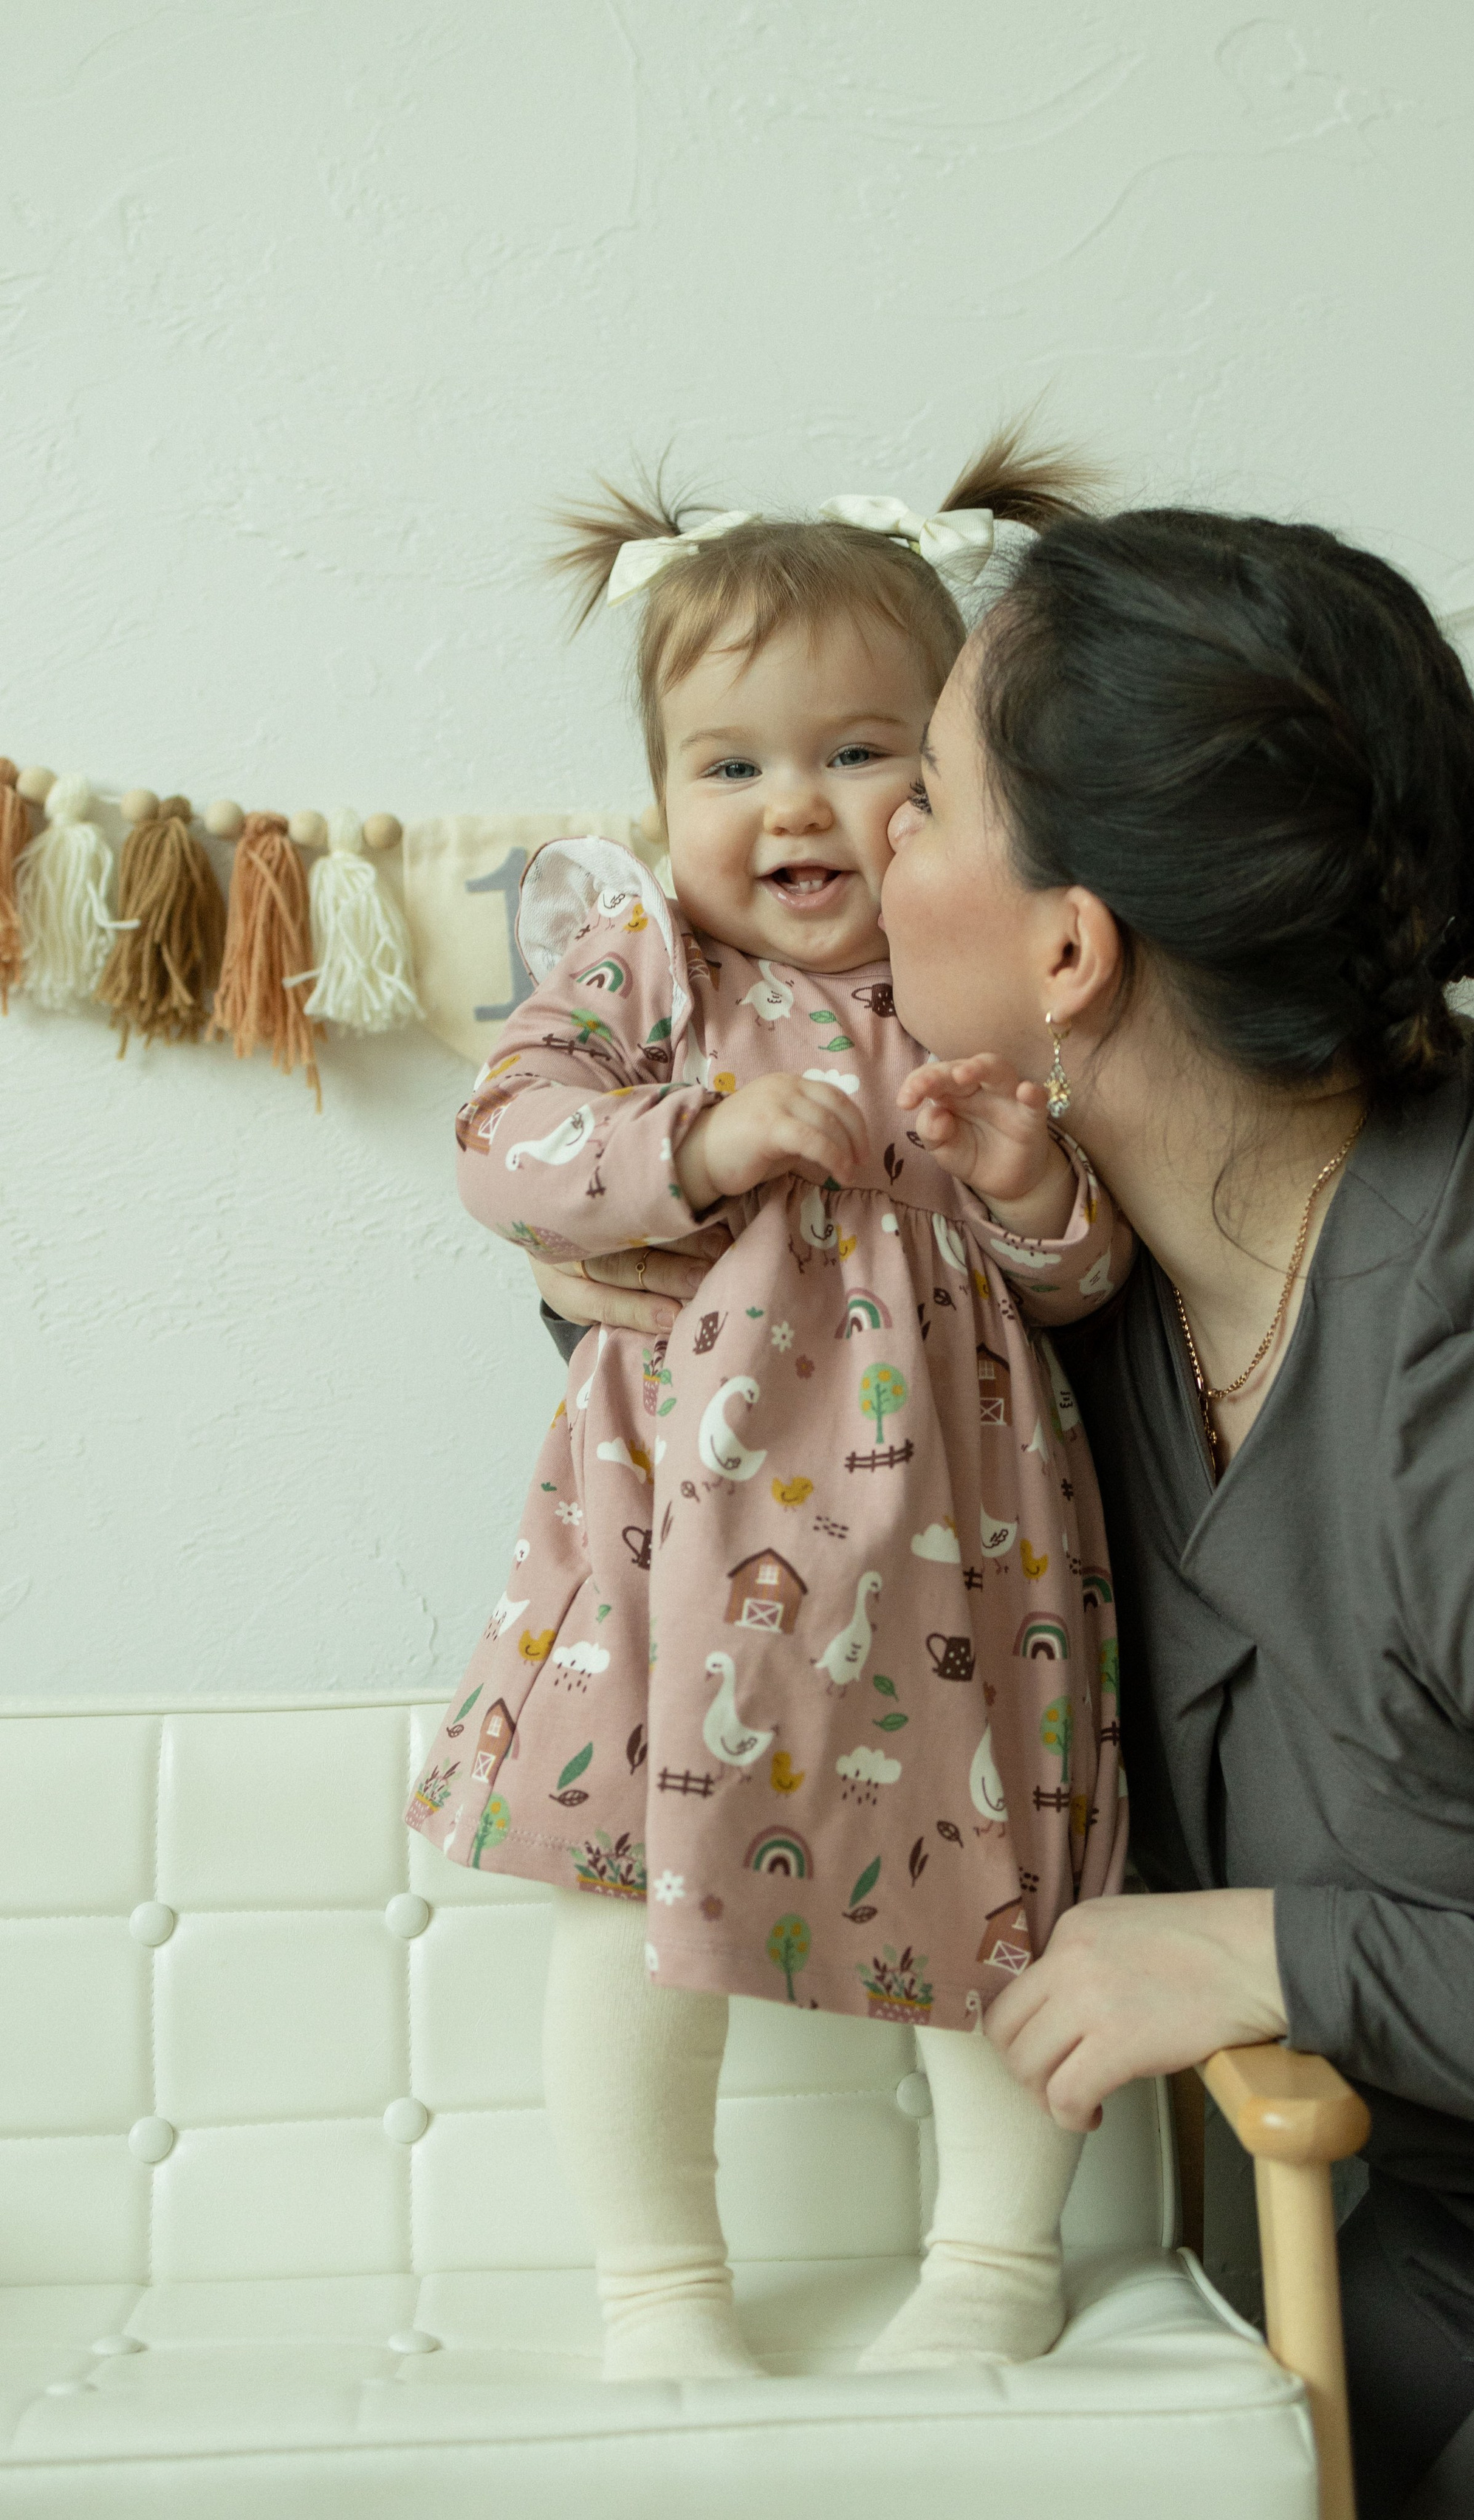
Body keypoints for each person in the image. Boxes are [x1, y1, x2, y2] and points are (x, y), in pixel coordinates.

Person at [538, 500, 1474, 2513]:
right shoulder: (1051, 1297)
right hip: (1384, 2226)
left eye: (924, 798)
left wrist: (1298, 1958)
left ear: (1068, 950)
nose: (857, 840)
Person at [407, 438, 1133, 2388]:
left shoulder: (977, 991)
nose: (789, 806)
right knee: (626, 1919)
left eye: (855, 751)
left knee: (1005, 1902)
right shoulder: (646, 970)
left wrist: (1029, 1189)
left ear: (955, 779)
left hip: (964, 1562)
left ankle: (992, 2267)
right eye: (728, 767)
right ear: (659, 803)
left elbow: (1084, 1289)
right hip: (677, 1563)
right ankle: (660, 2297)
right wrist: (692, 1137)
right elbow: (508, 1145)